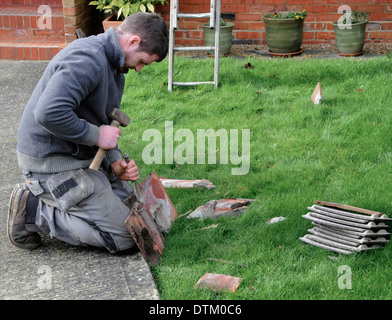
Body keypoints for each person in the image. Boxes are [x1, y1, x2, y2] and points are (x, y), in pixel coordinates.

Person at [7, 12, 169, 253]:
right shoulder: (87, 58)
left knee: (139, 213)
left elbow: (100, 120)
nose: (139, 69)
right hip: (50, 164)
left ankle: (83, 197)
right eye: (143, 61)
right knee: (129, 236)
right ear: (133, 41)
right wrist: (96, 136)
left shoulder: (114, 66)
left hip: (79, 157)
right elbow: (48, 113)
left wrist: (115, 162)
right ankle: (33, 210)